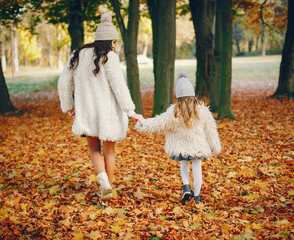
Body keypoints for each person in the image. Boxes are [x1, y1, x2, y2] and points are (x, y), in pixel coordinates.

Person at [57, 13, 144, 201]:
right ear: (108, 41)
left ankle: (103, 182)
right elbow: (119, 86)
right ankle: (109, 189)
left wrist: (69, 106)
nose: (114, 46)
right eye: (114, 42)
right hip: (108, 113)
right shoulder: (109, 57)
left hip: (87, 111)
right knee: (109, 151)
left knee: (94, 150)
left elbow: (64, 82)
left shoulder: (77, 55)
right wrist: (130, 111)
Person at [135, 71, 221, 204]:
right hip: (198, 147)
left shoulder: (174, 112)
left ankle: (186, 186)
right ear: (192, 95)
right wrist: (215, 146)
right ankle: (197, 197)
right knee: (197, 169)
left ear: (178, 96)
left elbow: (158, 123)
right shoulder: (202, 111)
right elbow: (211, 130)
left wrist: (143, 124)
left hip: (181, 147)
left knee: (184, 165)